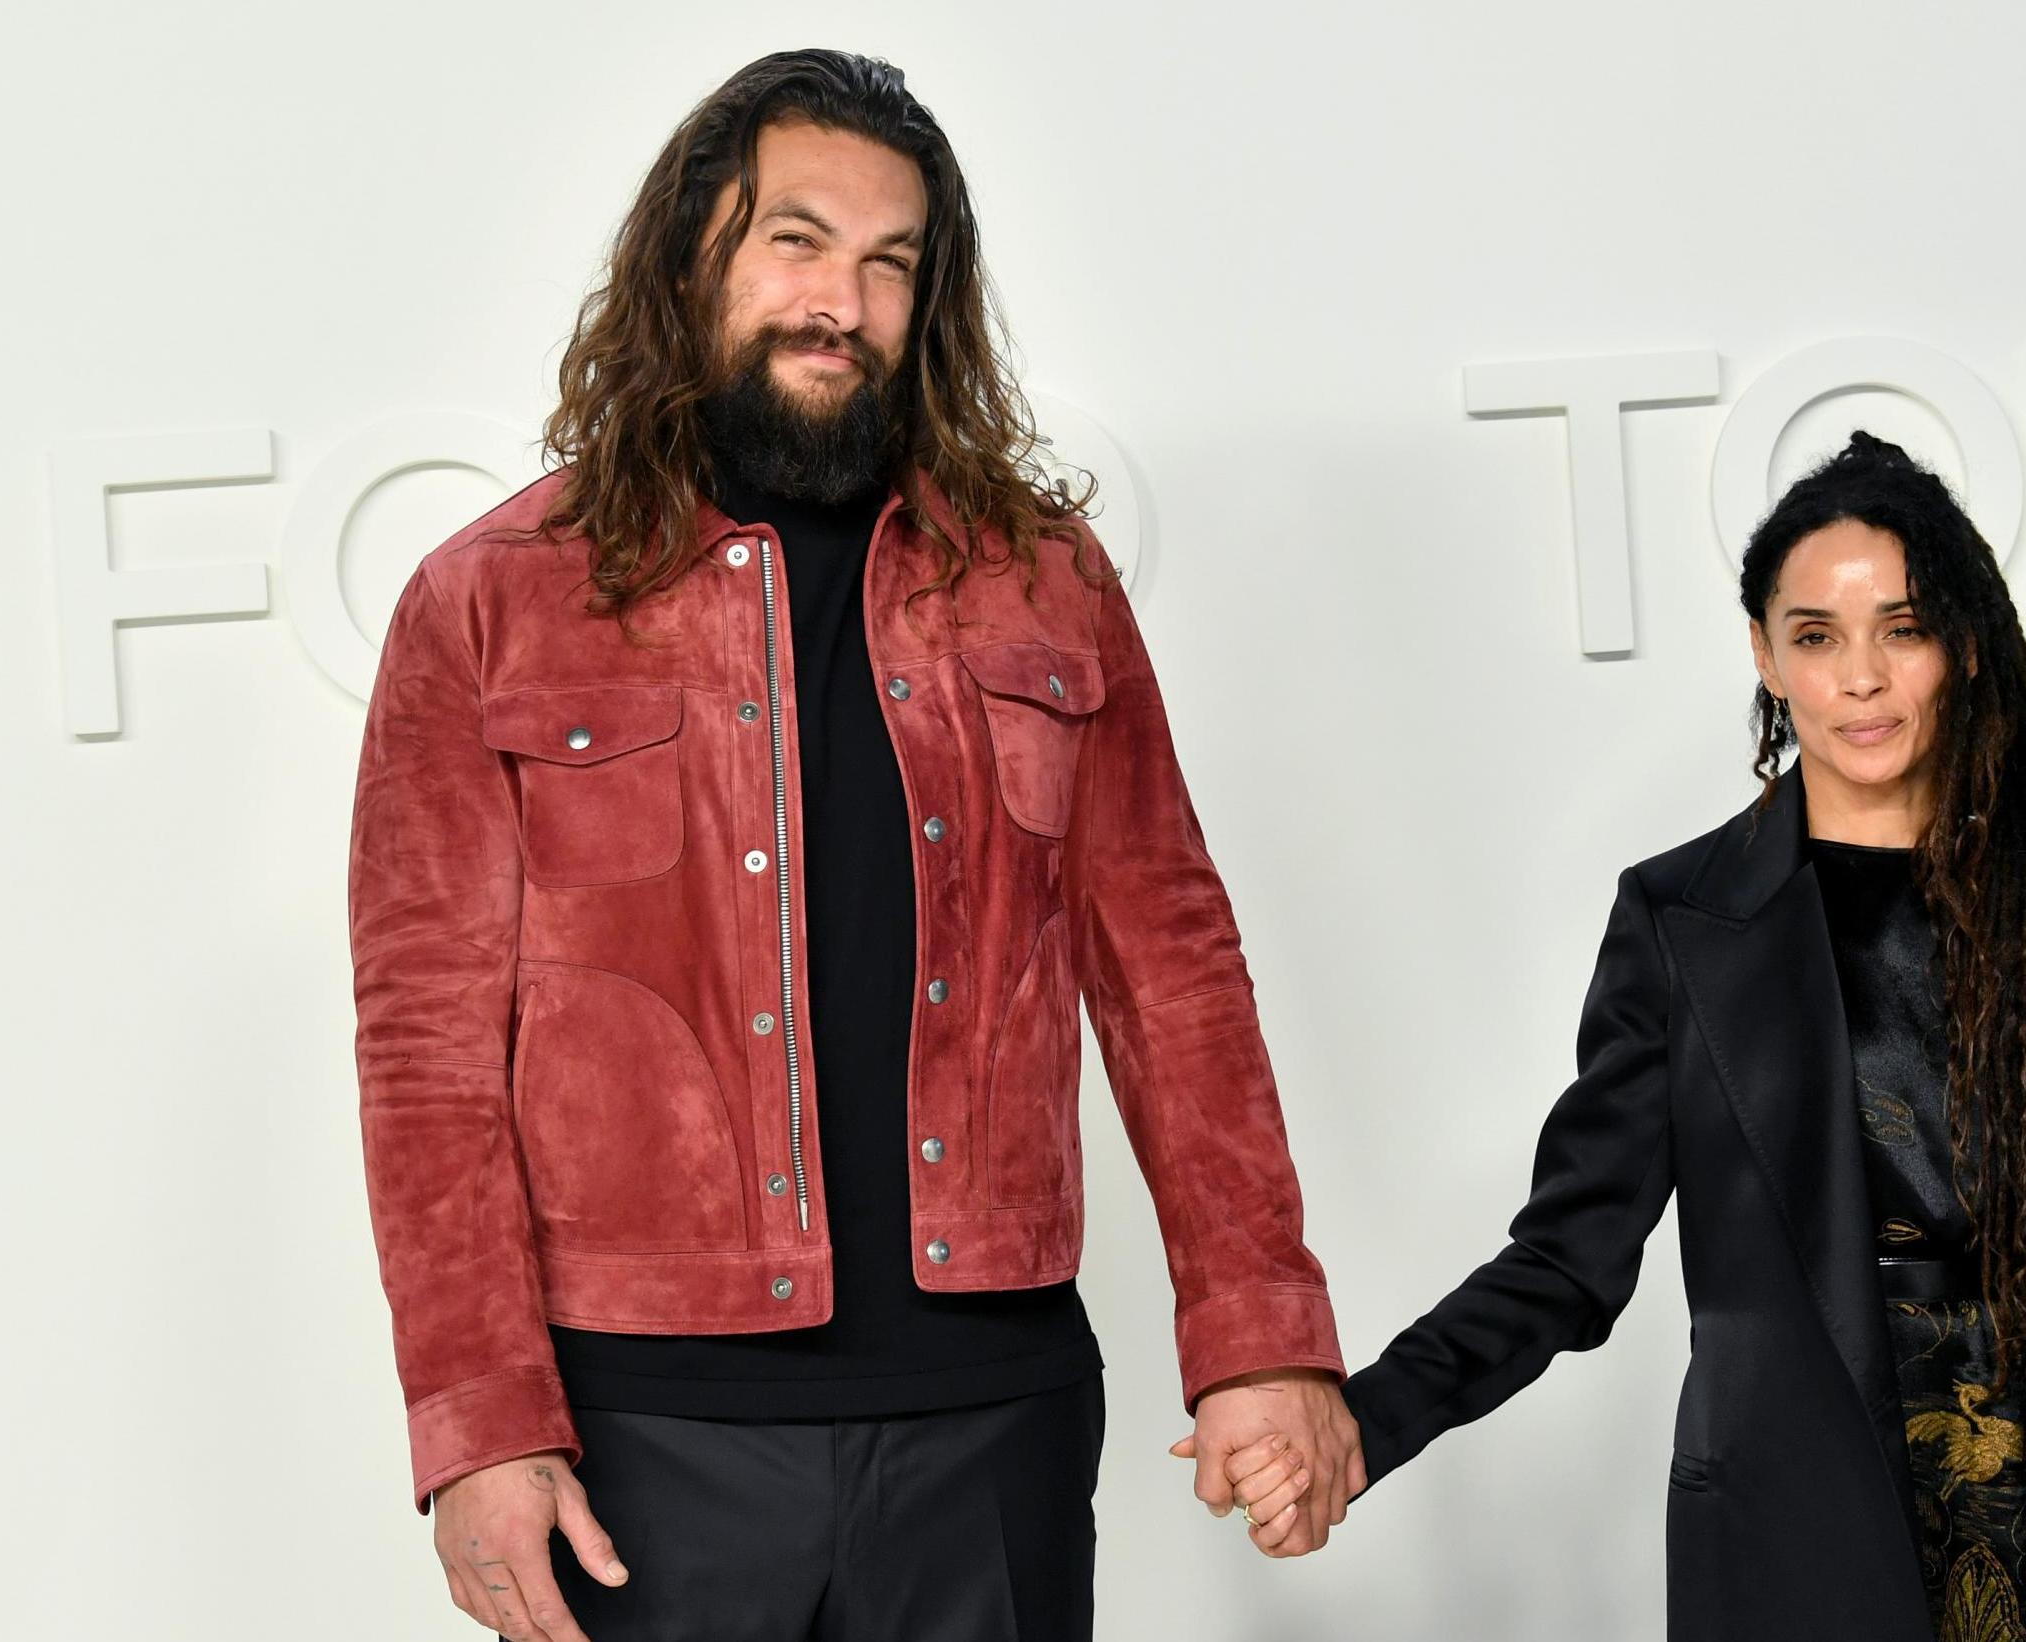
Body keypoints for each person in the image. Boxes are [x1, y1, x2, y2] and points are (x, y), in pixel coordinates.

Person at [347, 48, 1357, 1642]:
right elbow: (428, 1057)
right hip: (644, 1444)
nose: (842, 299)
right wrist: (478, 1427)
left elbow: (1172, 970)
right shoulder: (490, 601)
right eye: (796, 241)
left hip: (991, 1423)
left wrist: (1259, 1337)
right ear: (692, 261)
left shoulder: (1044, 583)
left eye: (891, 263)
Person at [1215, 433, 2026, 1639]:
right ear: (1764, 653)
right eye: (1816, 635)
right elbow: (1567, 1260)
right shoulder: (1684, 923)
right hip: (1800, 1540)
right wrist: (1363, 1419)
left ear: (1959, 642)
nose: (1860, 678)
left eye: (1901, 629)